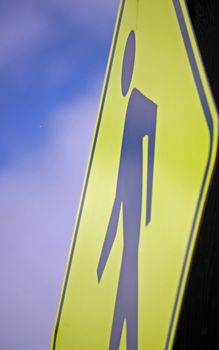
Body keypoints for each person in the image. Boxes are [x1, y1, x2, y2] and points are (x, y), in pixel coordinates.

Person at [97, 30, 157, 350]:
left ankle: (128, 340)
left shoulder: (144, 105)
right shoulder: (122, 114)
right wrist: (104, 251)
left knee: (129, 270)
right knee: (125, 270)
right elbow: (117, 186)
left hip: (134, 215)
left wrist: (149, 212)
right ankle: (124, 340)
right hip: (123, 210)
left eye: (126, 65)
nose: (122, 74)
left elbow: (149, 162)